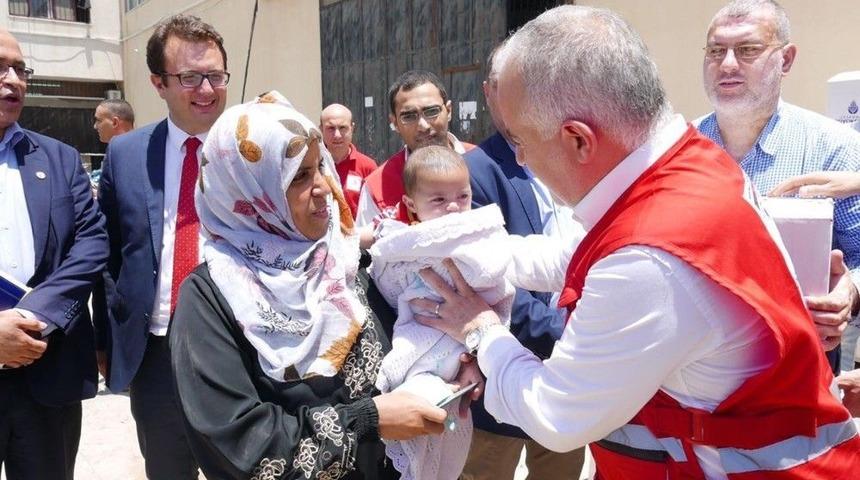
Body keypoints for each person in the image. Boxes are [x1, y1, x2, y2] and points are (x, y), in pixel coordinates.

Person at [413, 5, 860, 478]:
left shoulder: (649, 258)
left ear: (578, 140)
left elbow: (556, 414)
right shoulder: (689, 163)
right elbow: (569, 257)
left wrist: (480, 328)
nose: (520, 160)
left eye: (521, 141)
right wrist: (463, 251)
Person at [169, 90, 449, 480]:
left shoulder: (346, 259)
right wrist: (367, 422)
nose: (324, 186)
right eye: (299, 176)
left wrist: (451, 369)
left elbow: (409, 342)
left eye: (319, 167)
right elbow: (236, 443)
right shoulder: (210, 298)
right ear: (248, 193)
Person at [94, 14, 229, 479]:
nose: (207, 90)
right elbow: (108, 255)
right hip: (156, 354)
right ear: (158, 83)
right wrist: (105, 337)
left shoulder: (253, 149)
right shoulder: (126, 154)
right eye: (190, 77)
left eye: (215, 75)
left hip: (241, 350)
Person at [696, 0, 860, 372]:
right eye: (716, 50)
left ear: (785, 60)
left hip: (797, 373)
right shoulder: (678, 147)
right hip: (694, 375)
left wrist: (848, 293)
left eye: (748, 50)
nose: (728, 64)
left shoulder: (833, 148)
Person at [461, 43, 586, 480]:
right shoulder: (473, 172)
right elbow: (481, 278)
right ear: (489, 92)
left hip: (570, 384)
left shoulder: (575, 154)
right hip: (503, 377)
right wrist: (567, 335)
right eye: (505, 87)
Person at [368, 146, 513, 480]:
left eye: (462, 196)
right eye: (438, 200)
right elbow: (386, 278)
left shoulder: (479, 237)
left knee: (453, 425)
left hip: (465, 354)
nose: (453, 208)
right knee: (423, 418)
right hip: (417, 348)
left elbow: (497, 280)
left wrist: (479, 352)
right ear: (410, 206)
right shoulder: (405, 240)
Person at [0, 28, 107, 479]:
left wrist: (32, 317)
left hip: (48, 369)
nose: (13, 81)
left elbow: (92, 242)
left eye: (19, 69)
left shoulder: (60, 159)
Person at [355, 70, 475, 226]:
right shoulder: (377, 187)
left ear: (449, 111)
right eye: (409, 116)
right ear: (395, 123)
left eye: (432, 111)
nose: (423, 126)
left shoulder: (484, 164)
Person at [320, 103, 377, 219]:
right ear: (321, 129)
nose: (337, 135)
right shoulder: (313, 164)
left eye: (342, 128)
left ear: (352, 128)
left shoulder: (367, 167)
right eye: (331, 128)